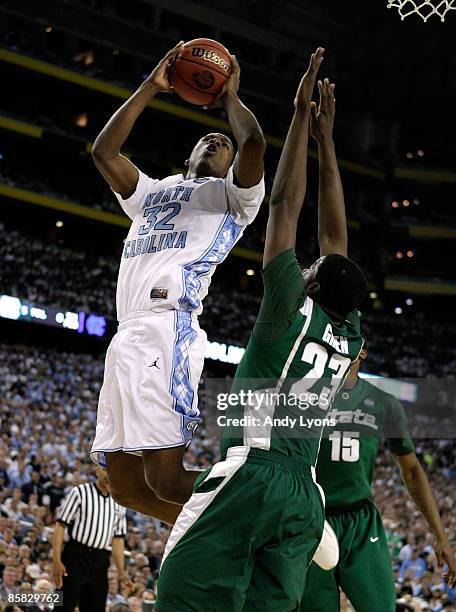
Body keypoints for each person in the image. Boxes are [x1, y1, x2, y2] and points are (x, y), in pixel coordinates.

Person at [155, 48, 368, 611]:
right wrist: (329, 144)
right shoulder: (347, 333)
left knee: (180, 591)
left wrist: (302, 119)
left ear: (312, 286)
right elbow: (336, 243)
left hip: (254, 473)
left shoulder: (288, 308)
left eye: (311, 269)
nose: (304, 265)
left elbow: (285, 204)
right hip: (303, 497)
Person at [89, 42, 266, 524]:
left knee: (166, 479)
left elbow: (253, 145)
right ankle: (209, 542)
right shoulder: (153, 192)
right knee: (125, 487)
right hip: (126, 334)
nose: (218, 142)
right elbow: (104, 151)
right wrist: (152, 85)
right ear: (190, 151)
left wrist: (229, 98)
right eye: (210, 138)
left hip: (168, 329)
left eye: (223, 144)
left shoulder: (234, 200)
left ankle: (274, 510)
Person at [302, 342, 456, 611]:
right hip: (313, 520)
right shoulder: (301, 397)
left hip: (360, 522)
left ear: (362, 352)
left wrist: (439, 533)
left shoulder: (384, 403)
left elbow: (411, 469)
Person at [52, 466, 130, 612]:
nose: (110, 475)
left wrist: (121, 573)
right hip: (76, 555)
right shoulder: (80, 492)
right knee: (63, 605)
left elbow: (118, 540)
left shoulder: (119, 502)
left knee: (95, 607)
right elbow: (60, 526)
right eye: (106, 470)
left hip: (101, 559)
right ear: (98, 470)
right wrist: (56, 559)